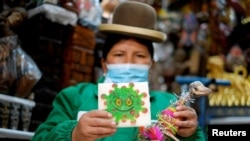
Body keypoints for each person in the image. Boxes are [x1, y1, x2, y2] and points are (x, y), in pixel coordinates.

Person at [32, 1, 206, 141]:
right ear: (105, 64)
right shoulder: (73, 97)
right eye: (119, 54)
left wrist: (190, 134)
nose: (129, 63)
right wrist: (74, 134)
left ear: (150, 65)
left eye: (139, 56)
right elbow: (40, 138)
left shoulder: (168, 104)